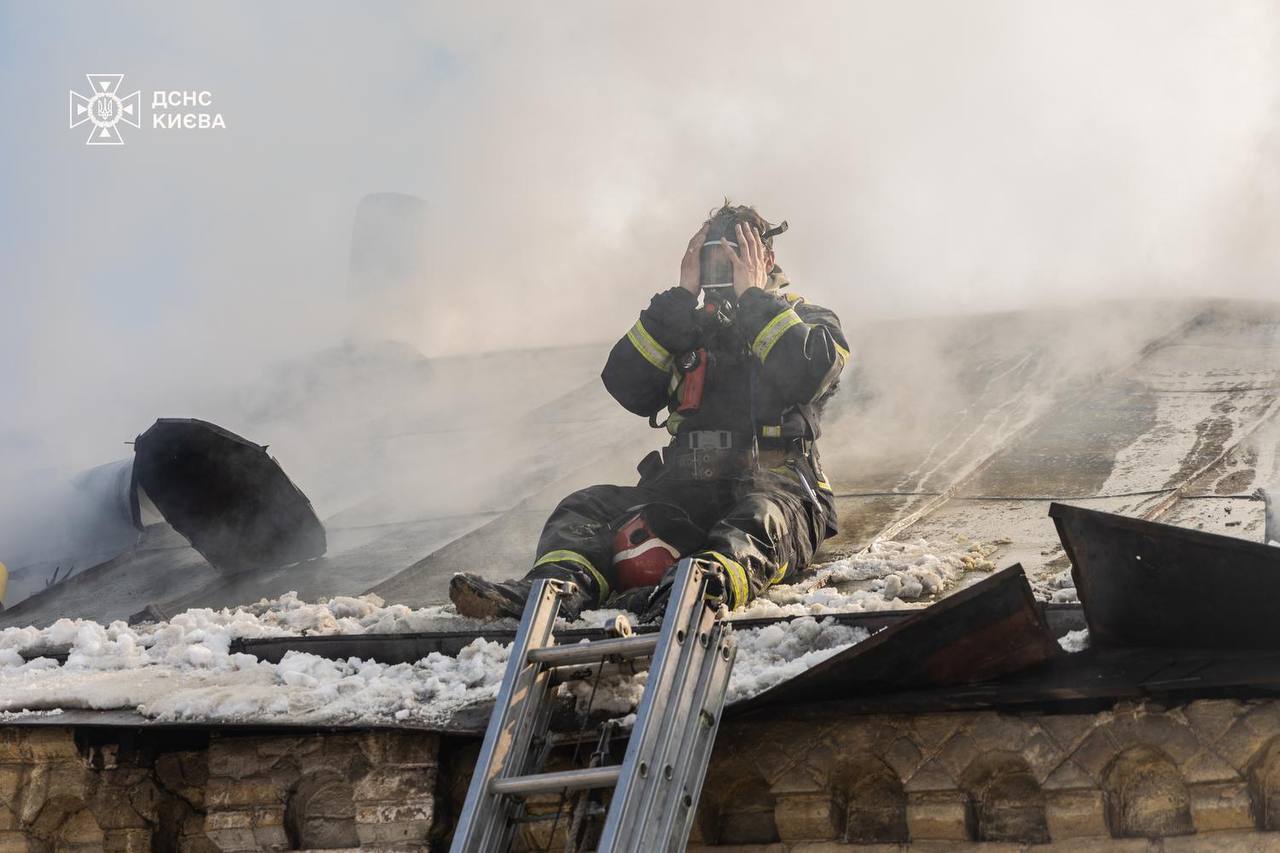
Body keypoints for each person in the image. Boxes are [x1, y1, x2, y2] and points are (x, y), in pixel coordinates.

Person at [449, 203, 850, 620]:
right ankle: (551, 593)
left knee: (758, 519)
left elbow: (807, 373)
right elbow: (627, 386)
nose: (723, 266)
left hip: (779, 491)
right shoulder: (684, 326)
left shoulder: (807, 321)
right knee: (585, 507)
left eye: (736, 254)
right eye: (713, 255)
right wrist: (677, 302)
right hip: (685, 490)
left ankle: (695, 594)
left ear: (765, 258)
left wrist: (753, 297)